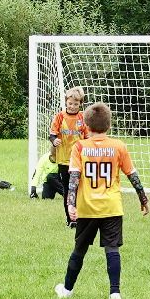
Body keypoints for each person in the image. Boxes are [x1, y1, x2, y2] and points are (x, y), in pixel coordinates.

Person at [56, 101, 149, 299]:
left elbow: (73, 178)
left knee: (79, 249)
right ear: (109, 125)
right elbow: (132, 174)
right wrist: (143, 198)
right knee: (112, 249)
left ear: (86, 125)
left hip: (87, 208)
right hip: (111, 207)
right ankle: (115, 293)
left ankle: (67, 290)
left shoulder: (79, 147)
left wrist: (70, 204)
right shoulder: (119, 146)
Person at [47, 87, 87, 222]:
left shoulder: (83, 117)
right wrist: (54, 140)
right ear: (66, 102)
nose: (72, 106)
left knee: (79, 190)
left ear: (80, 103)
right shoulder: (60, 116)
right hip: (64, 160)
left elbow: (87, 138)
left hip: (79, 160)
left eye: (76, 104)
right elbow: (52, 135)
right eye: (70, 103)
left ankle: (81, 217)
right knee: (68, 190)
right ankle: (70, 220)